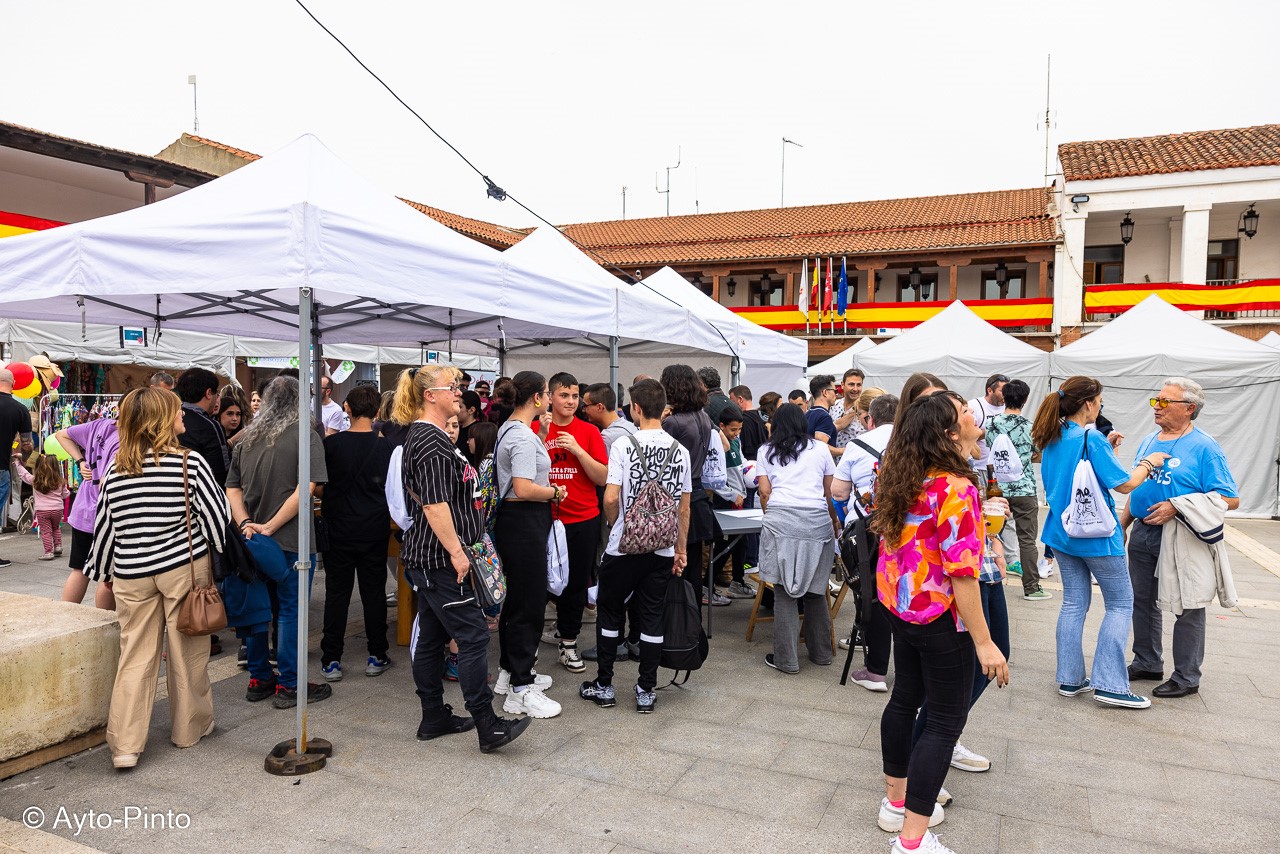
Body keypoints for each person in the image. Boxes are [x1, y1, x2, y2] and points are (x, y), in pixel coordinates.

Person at [871, 391, 1008, 853]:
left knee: (905, 698)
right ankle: (913, 840)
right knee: (944, 723)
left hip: (901, 607)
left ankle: (895, 804)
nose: (972, 414)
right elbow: (962, 573)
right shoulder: (955, 487)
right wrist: (985, 642)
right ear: (950, 434)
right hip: (939, 616)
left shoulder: (902, 474)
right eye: (964, 413)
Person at [86, 387, 230, 769]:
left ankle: (125, 746)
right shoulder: (189, 463)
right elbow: (217, 519)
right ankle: (189, 730)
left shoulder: (115, 470)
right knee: (187, 653)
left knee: (134, 657)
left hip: (131, 573)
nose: (182, 415)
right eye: (175, 411)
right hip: (183, 568)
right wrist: (216, 551)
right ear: (162, 421)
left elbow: (106, 529)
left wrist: (101, 572)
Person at [391, 365, 531, 751]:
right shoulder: (432, 442)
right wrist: (457, 553)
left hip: (431, 556)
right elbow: (435, 506)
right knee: (471, 637)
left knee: (435, 638)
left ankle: (433, 717)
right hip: (439, 558)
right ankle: (488, 726)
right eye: (450, 386)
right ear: (429, 396)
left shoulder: (428, 437)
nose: (459, 391)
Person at [1035, 376, 1171, 709]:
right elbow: (1124, 485)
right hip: (1096, 536)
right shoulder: (1090, 437)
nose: (1100, 407)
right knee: (1121, 604)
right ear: (1088, 404)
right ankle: (1110, 685)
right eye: (1100, 402)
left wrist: (1107, 449)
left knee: (1073, 603)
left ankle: (1070, 678)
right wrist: (1149, 462)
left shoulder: (1053, 434)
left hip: (1061, 532)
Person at [1121, 377, 1239, 699]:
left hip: (1182, 536)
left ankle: (1187, 676)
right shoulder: (1149, 440)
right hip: (1144, 533)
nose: (1156, 407)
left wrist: (1177, 505)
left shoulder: (1205, 447)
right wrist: (1124, 522)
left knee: (1188, 605)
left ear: (1189, 409)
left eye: (1164, 402)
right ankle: (1147, 661)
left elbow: (1230, 498)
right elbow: (1139, 487)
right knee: (1141, 601)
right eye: (1155, 401)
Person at [580, 378, 692, 713]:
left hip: (623, 548)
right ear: (664, 409)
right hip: (662, 548)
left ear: (636, 409)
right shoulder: (681, 451)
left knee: (611, 613)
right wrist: (681, 550)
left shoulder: (624, 446)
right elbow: (684, 508)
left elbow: (611, 496)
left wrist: (615, 524)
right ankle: (645, 690)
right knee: (652, 616)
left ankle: (604, 685)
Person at [226, 376, 331, 710]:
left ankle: (259, 678)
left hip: (252, 541)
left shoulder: (247, 439)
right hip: (290, 540)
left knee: (258, 609)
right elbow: (308, 490)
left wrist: (246, 524)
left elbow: (232, 489)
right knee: (290, 612)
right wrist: (269, 526)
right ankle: (289, 683)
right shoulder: (306, 436)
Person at [492, 371, 564, 718]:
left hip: (517, 523)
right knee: (529, 604)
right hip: (524, 521)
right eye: (548, 393)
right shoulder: (520, 436)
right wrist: (555, 491)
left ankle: (512, 673)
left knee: (519, 600)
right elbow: (523, 487)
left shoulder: (512, 428)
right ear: (537, 397)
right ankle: (520, 687)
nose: (551, 399)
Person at [755, 403, 839, 674]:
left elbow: (764, 493)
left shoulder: (766, 450)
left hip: (781, 522)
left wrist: (772, 516)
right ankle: (822, 654)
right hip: (817, 523)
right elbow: (830, 492)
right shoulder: (821, 449)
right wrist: (834, 521)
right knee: (816, 592)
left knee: (784, 593)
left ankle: (787, 660)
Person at [535, 372, 608, 673]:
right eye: (564, 395)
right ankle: (530, 651)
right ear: (550, 397)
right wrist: (540, 437)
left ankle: (569, 643)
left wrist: (577, 449)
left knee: (576, 584)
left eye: (575, 396)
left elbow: (603, 477)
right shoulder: (535, 427)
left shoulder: (589, 431)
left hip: (582, 518)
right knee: (538, 585)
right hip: (543, 518)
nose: (571, 401)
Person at [320, 384, 393, 683]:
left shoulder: (331, 445)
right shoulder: (386, 447)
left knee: (336, 593)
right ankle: (377, 654)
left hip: (338, 527)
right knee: (373, 592)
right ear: (377, 412)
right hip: (374, 527)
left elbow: (321, 486)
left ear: (347, 408)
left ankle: (331, 659)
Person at [660, 364, 726, 607]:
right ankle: (691, 631)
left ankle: (675, 631)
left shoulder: (673, 424)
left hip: (677, 498)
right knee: (692, 569)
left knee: (674, 569)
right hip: (697, 496)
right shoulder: (703, 416)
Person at [985, 379, 1048, 600]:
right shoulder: (1030, 426)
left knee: (990, 535)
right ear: (1025, 399)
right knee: (1027, 539)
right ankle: (1031, 588)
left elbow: (991, 449)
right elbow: (1039, 453)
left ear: (1004, 398)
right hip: (1024, 488)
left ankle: (988, 580)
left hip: (997, 489)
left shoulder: (992, 425)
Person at [55, 415, 118, 609]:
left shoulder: (99, 424)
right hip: (107, 512)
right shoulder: (128, 439)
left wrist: (80, 461)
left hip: (83, 509)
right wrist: (81, 461)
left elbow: (61, 435)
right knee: (107, 576)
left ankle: (65, 621)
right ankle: (104, 628)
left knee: (79, 569)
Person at [711, 405, 753, 598]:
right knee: (723, 546)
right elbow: (715, 479)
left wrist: (752, 472)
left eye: (739, 429)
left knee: (740, 543)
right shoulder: (718, 446)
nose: (736, 434)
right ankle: (706, 585)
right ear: (722, 426)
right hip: (725, 502)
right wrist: (730, 495)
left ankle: (737, 581)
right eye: (732, 430)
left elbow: (742, 464)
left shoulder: (736, 442)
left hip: (740, 500)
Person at [0, 368, 35, 568]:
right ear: (13, 384)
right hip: (1, 467)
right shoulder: (20, 409)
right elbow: (27, 444)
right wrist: (24, 456)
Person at [175, 368, 228, 486]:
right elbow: (221, 470)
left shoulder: (170, 420)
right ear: (209, 393)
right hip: (202, 491)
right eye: (216, 393)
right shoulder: (210, 426)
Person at [14, 453, 69, 560]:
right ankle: (58, 547)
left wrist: (18, 463)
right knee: (56, 528)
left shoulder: (35, 480)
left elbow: (24, 475)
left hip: (42, 510)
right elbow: (66, 494)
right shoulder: (60, 481)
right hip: (57, 509)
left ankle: (48, 552)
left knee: (46, 531)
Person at [966, 373, 1008, 471]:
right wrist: (994, 429)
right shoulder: (973, 406)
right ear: (989, 390)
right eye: (1002, 391)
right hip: (980, 466)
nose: (1006, 395)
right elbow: (966, 436)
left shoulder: (1009, 407)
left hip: (1003, 467)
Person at [583, 382, 636, 450]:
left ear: (600, 407)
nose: (583, 410)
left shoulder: (607, 437)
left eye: (585, 406)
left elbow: (602, 461)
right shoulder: (632, 427)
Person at [805, 375, 843, 459]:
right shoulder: (824, 416)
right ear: (825, 392)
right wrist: (845, 451)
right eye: (835, 391)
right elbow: (820, 447)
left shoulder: (808, 414)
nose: (836, 395)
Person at [830, 368, 867, 447]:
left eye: (859, 385)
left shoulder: (866, 409)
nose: (855, 389)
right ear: (842, 385)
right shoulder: (834, 406)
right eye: (851, 384)